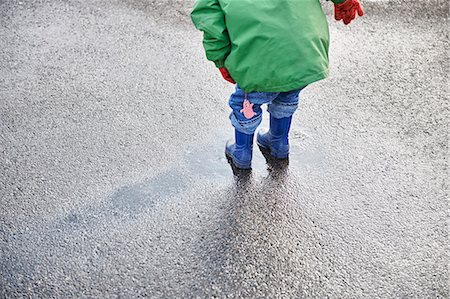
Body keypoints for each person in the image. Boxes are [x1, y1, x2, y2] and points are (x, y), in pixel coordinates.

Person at [191, 0, 364, 169]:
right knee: (287, 92)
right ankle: (278, 142)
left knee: (246, 103)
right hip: (304, 51)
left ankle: (242, 152)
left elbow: (209, 20)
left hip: (259, 58)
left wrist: (220, 59)